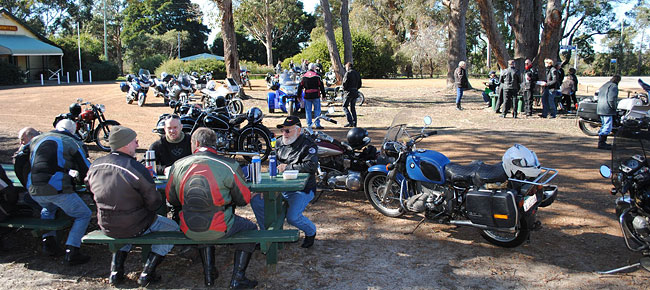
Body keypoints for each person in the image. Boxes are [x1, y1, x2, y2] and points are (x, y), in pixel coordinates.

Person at [85, 126, 179, 286]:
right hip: (135, 224)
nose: (137, 145)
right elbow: (155, 202)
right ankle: (147, 272)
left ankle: (116, 271)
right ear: (125, 144)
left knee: (125, 226)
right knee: (173, 228)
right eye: (134, 141)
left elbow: (89, 189)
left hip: (106, 224)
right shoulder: (134, 168)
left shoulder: (95, 166)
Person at [166, 128, 258, 288]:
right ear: (215, 144)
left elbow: (171, 199)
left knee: (203, 219)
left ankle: (209, 275)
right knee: (250, 228)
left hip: (189, 227)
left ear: (195, 143)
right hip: (219, 226)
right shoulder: (229, 165)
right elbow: (243, 200)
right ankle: (238, 278)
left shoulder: (178, 165)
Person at [26, 119, 92, 265]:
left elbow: (20, 159)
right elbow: (86, 169)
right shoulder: (71, 142)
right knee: (83, 214)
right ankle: (72, 250)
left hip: (33, 187)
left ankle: (48, 242)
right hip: (56, 187)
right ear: (73, 131)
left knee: (48, 209)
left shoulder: (36, 139)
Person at [250, 116, 318, 248]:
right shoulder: (280, 143)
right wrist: (266, 187)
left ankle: (311, 231)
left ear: (299, 131)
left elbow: (311, 166)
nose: (284, 134)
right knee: (257, 199)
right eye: (283, 131)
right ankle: (267, 236)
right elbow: (273, 164)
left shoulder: (308, 144)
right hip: (281, 186)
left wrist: (288, 167)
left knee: (292, 217)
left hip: (302, 189)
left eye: (288, 131)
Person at [297, 63, 327, 130]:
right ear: (314, 68)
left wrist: (298, 96)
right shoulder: (317, 76)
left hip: (307, 95)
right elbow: (321, 86)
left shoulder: (303, 76)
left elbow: (300, 87)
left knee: (308, 111)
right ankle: (317, 124)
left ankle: (309, 124)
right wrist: (324, 95)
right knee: (317, 110)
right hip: (316, 95)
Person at [596, 75, 621, 150]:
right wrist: (614, 108)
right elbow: (611, 99)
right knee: (607, 126)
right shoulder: (613, 86)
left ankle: (601, 141)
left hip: (600, 107)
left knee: (604, 124)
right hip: (607, 108)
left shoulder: (605, 85)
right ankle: (602, 143)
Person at [342, 62, 362, 127]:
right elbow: (360, 84)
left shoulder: (348, 73)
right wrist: (356, 89)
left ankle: (350, 121)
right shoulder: (357, 73)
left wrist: (344, 89)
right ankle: (354, 122)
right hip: (355, 92)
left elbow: (344, 83)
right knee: (352, 108)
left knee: (344, 106)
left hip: (348, 92)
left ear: (348, 67)